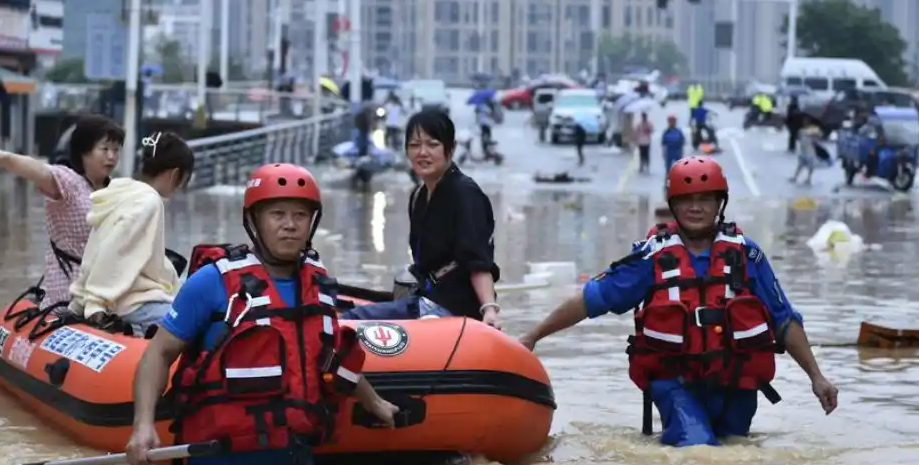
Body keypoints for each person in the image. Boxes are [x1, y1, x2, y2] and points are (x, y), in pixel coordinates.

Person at [518, 156, 838, 447]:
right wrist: (534, 336)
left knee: (735, 458)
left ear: (719, 204)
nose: (695, 207)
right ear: (673, 205)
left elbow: (783, 319)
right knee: (698, 448)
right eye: (686, 200)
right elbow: (589, 301)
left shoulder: (747, 254)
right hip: (676, 383)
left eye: (704, 199)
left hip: (736, 384)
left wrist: (816, 376)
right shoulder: (651, 257)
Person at [125, 164, 399, 465]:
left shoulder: (318, 283)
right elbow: (157, 354)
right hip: (221, 462)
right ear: (254, 220)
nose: (289, 225)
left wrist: (375, 403)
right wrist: (142, 425)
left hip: (292, 461)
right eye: (277, 214)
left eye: (300, 215)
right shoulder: (212, 282)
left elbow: (328, 357)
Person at [342, 109, 501, 326]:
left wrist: (489, 309)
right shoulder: (418, 196)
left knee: (350, 322)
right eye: (415, 145)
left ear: (450, 149)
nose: (422, 152)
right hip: (425, 298)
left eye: (432, 144)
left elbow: (477, 261)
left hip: (452, 308)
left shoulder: (465, 194)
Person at [0, 114, 124, 308]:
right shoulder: (69, 182)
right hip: (68, 295)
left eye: (116, 150)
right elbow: (39, 170)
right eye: (105, 149)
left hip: (107, 294)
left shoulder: (118, 191)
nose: (111, 156)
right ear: (84, 151)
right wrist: (5, 158)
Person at [67, 132, 194, 334]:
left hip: (113, 296)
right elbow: (114, 249)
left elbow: (99, 248)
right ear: (175, 174)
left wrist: (80, 298)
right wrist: (95, 304)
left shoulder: (123, 191)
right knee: (197, 322)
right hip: (131, 304)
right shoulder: (149, 201)